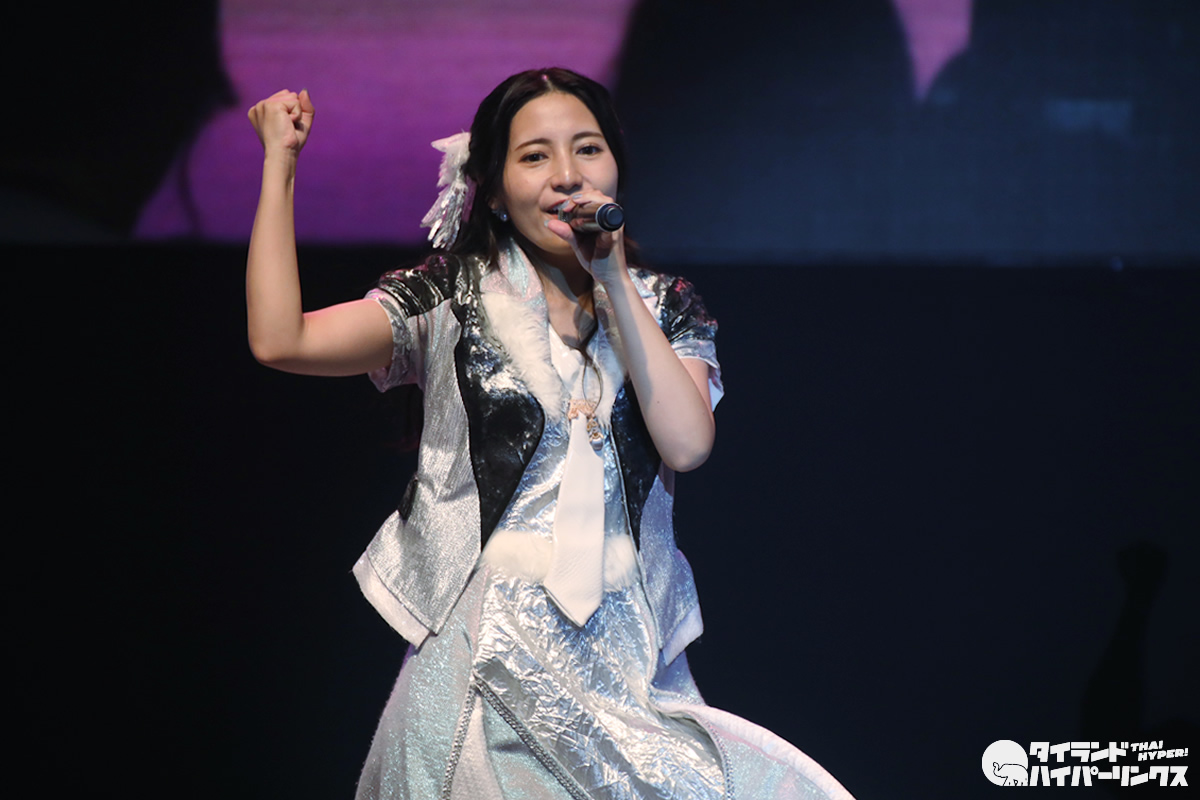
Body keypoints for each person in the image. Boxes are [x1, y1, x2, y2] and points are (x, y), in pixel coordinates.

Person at [246, 67, 854, 800]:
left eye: (588, 149)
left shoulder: (665, 305)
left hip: (625, 663)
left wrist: (614, 281)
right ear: (494, 192)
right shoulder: (449, 295)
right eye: (535, 156)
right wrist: (279, 165)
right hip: (477, 656)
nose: (567, 176)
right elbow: (281, 340)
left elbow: (688, 444)